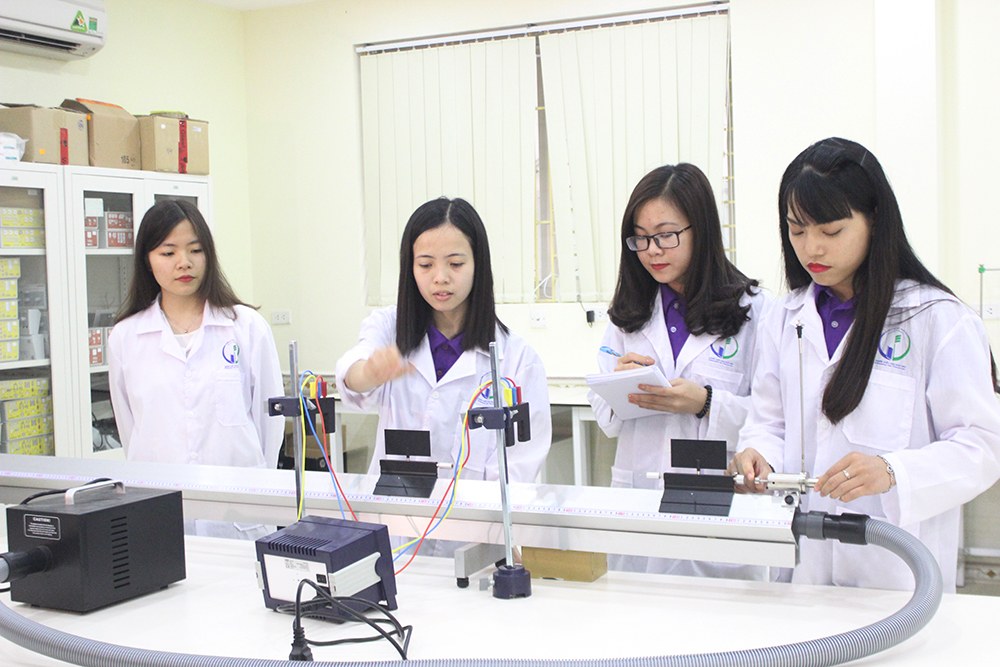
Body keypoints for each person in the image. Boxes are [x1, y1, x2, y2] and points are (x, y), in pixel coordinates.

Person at [730, 137, 1000, 591]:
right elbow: (768, 422)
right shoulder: (785, 317)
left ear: (874, 221)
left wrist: (894, 472)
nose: (811, 248)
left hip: (898, 576)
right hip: (806, 570)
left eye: (831, 231)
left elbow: (983, 446)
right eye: (797, 230)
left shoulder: (937, 319)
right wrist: (758, 455)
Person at [587, 163, 771, 578]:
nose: (652, 250)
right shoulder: (629, 314)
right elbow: (605, 417)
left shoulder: (755, 311)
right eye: (640, 238)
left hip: (719, 500)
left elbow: (772, 419)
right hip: (640, 497)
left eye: (665, 235)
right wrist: (618, 383)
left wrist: (705, 403)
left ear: (700, 230)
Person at [336, 197, 551, 485]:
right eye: (426, 265)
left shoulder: (518, 360)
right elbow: (351, 374)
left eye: (455, 263)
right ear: (411, 268)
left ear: (478, 264)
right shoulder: (389, 327)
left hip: (475, 512)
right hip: (395, 507)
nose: (440, 277)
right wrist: (369, 374)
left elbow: (519, 468)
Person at [108, 199, 284, 538]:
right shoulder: (126, 337)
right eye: (168, 252)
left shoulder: (246, 327)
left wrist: (259, 485)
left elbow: (269, 424)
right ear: (147, 260)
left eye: (195, 250)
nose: (184, 262)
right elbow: (131, 430)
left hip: (238, 511)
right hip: (160, 510)